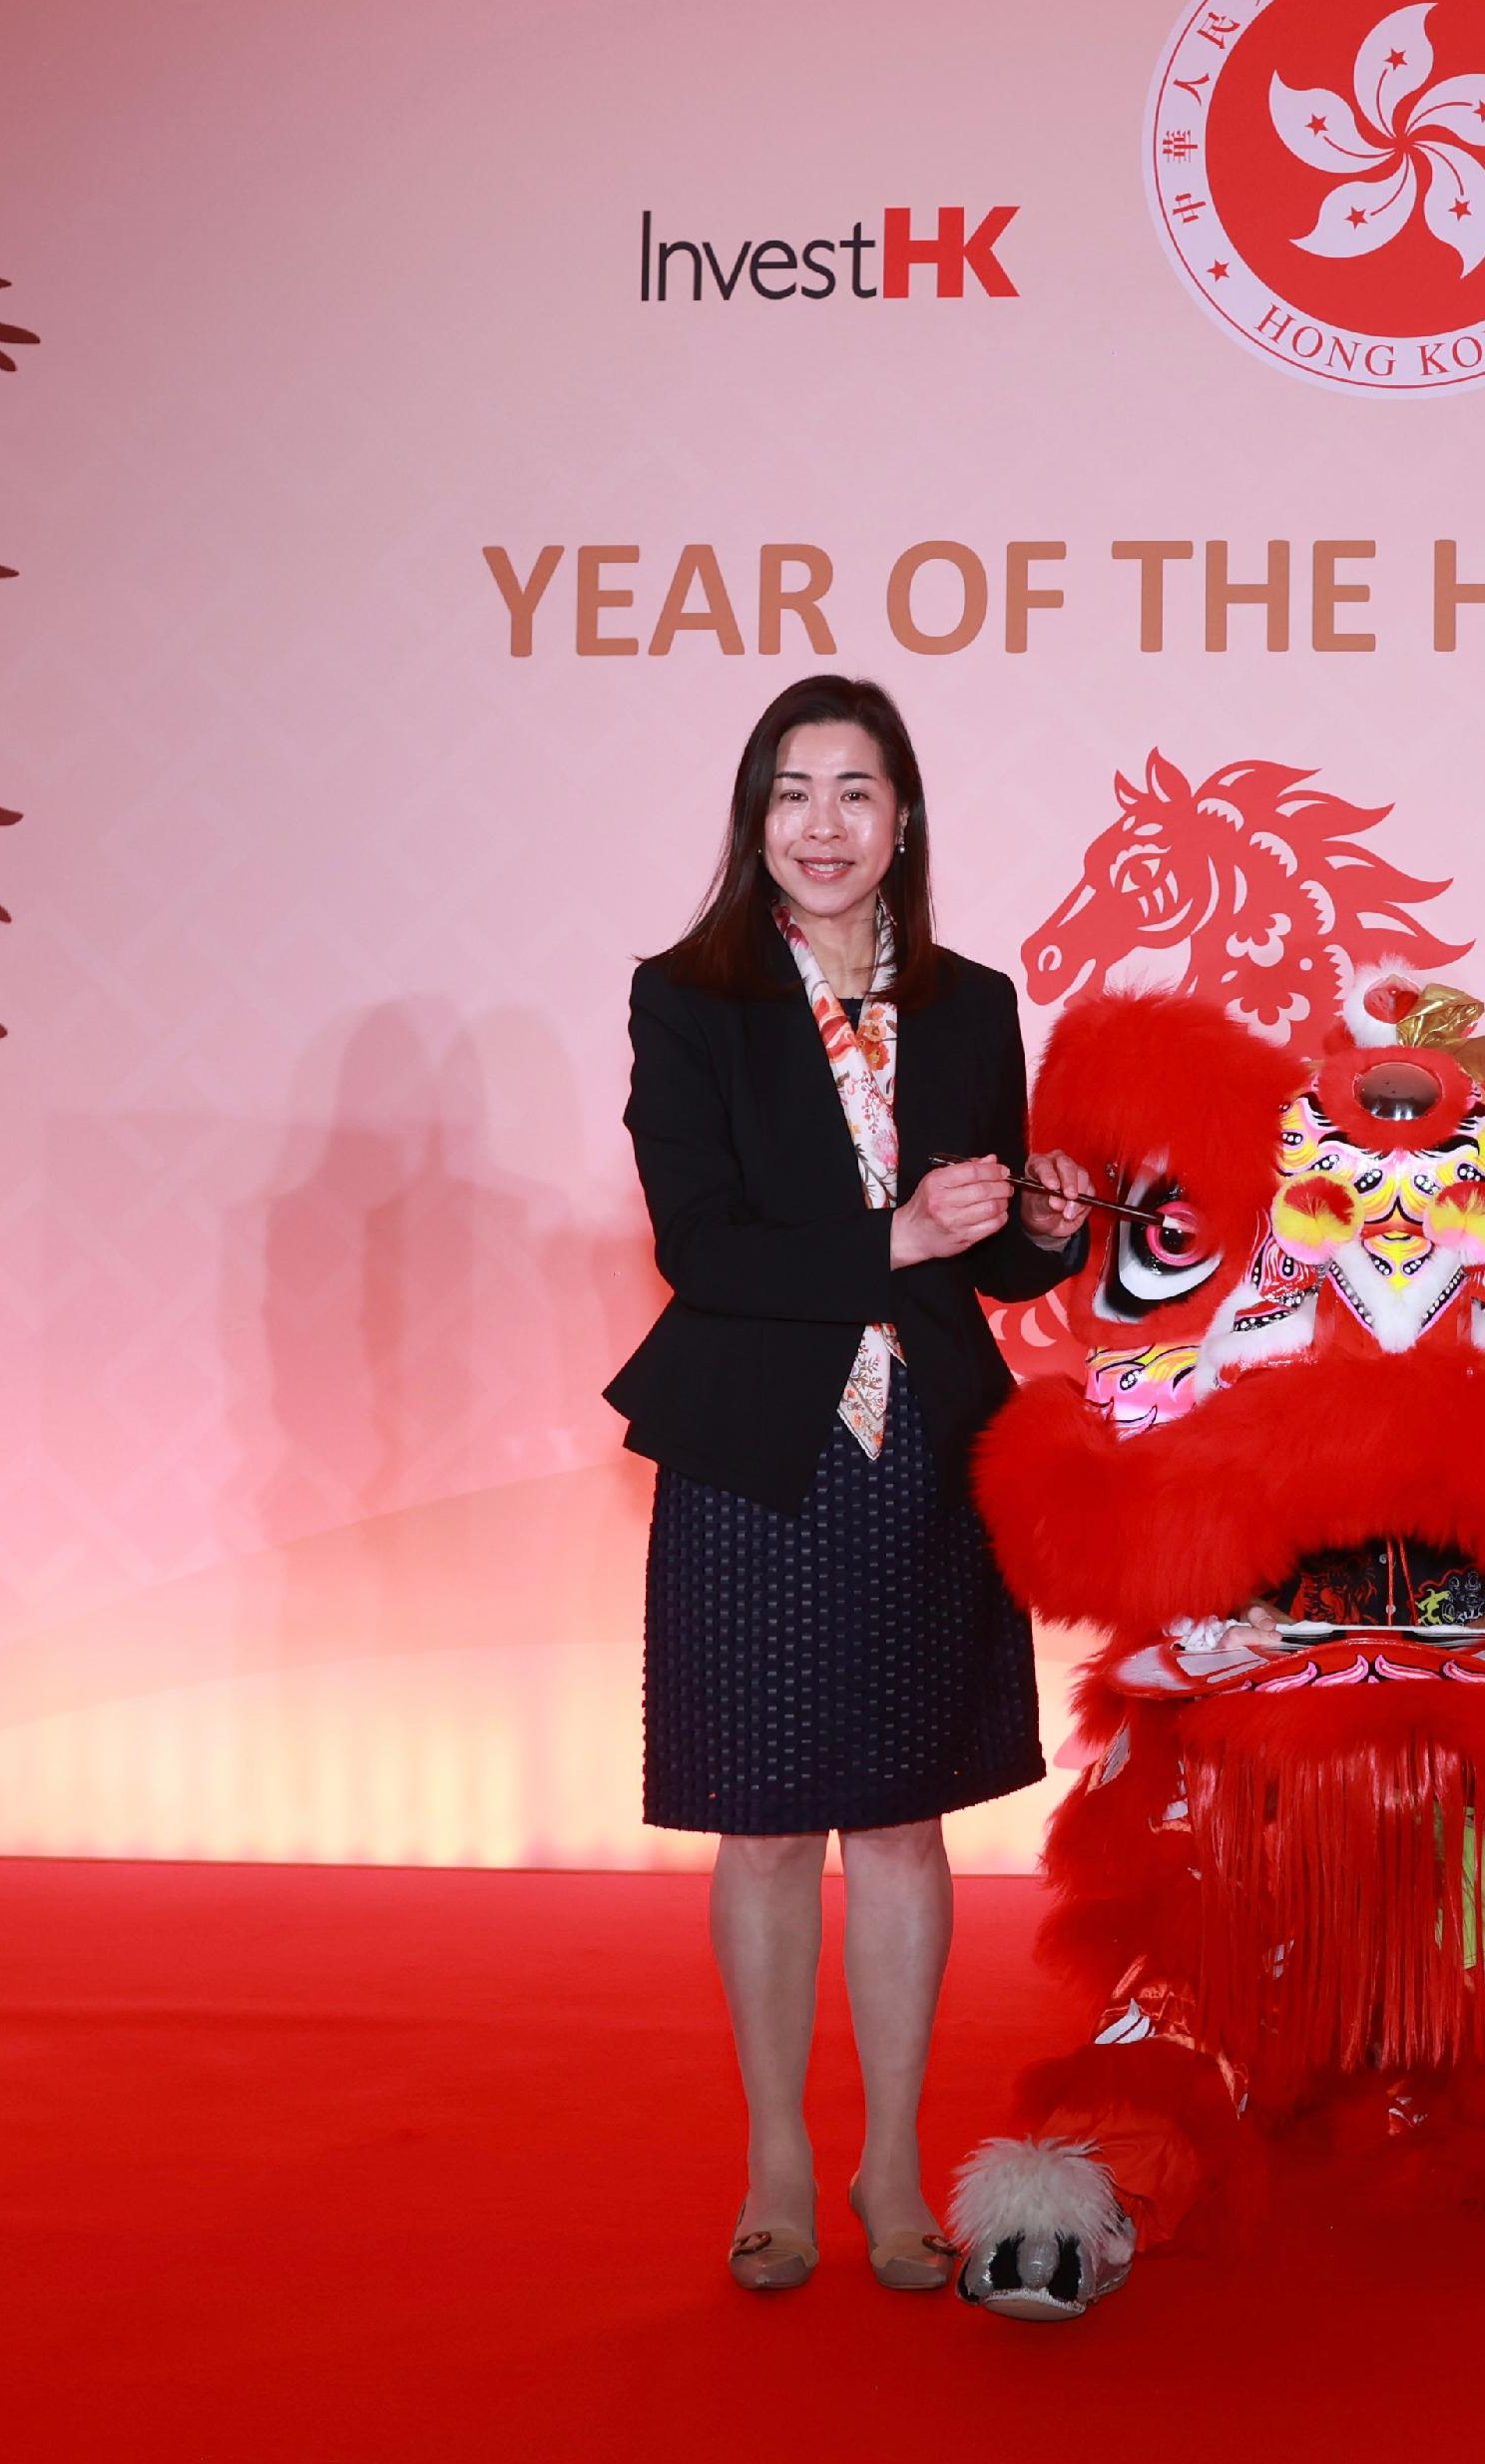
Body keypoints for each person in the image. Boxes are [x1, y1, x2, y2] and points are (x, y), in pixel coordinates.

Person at [604, 674, 1093, 2296]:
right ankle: (777, 2161)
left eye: (857, 792)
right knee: (758, 1830)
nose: (824, 826)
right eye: (794, 792)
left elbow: (1001, 1261)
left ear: (904, 822)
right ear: (757, 820)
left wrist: (1052, 1216)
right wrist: (894, 1235)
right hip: (760, 1450)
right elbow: (701, 1244)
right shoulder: (689, 996)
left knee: (897, 1817)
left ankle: (893, 2158)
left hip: (920, 1450)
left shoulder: (970, 999)